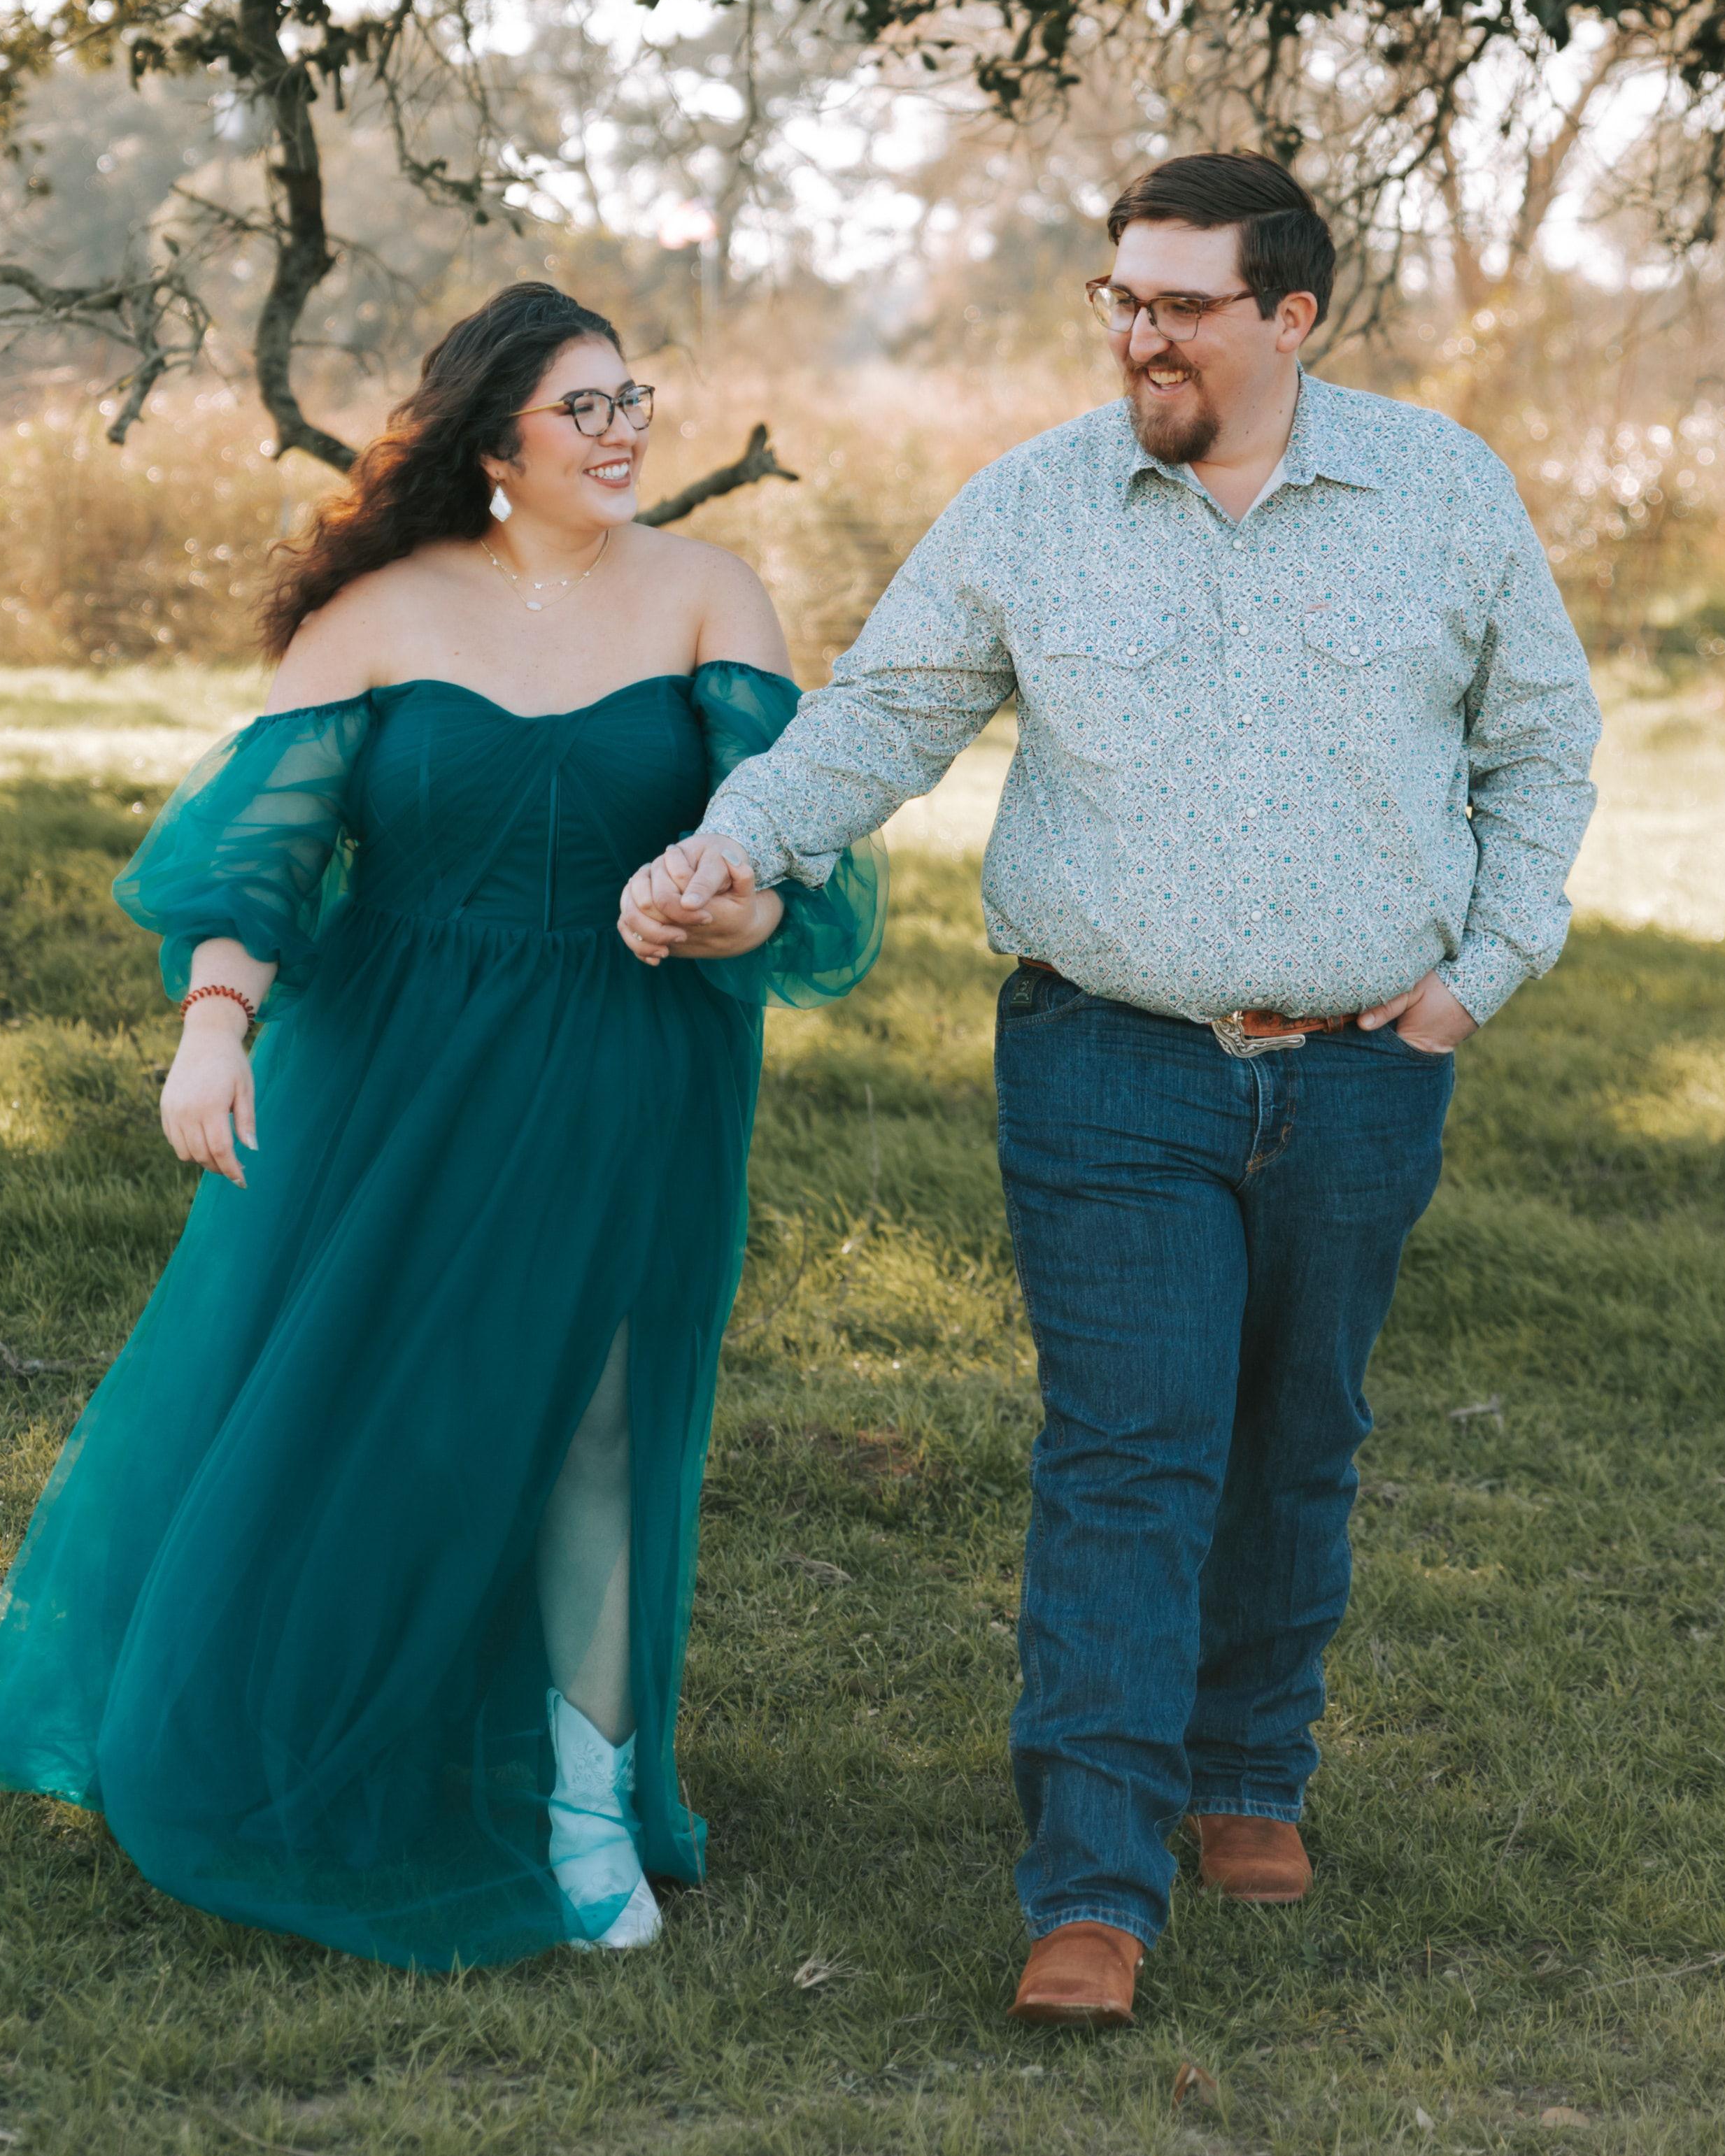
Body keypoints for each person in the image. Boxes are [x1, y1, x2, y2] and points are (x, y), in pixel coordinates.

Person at [620, 155, 1599, 2028]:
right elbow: (884, 714)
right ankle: (1091, 1879)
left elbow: (1541, 747)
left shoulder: (1441, 492)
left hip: (1364, 1072)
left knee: (1299, 1436)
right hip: (1107, 1062)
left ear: (1290, 315)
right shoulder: (1036, 504)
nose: (1140, 337)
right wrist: (742, 843)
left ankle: (1249, 1768)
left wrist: (1476, 979)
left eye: (1182, 306)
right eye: (1122, 300)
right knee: (1130, 1454)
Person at [0, 282, 881, 1969]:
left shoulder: (710, 595)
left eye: (633, 400)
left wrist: (726, 914)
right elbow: (263, 857)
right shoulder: (379, 613)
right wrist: (214, 1028)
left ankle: (588, 1802)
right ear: (492, 444)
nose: (623, 432)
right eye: (583, 408)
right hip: (391, 1063)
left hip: (629, 1058)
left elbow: (788, 860)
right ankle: (330, 1722)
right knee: (379, 1396)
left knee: (599, 1417)